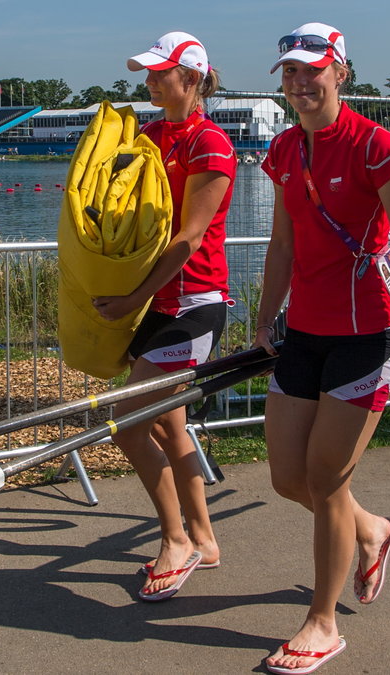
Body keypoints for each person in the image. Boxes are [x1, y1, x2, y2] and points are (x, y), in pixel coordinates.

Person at [252, 22, 390, 674]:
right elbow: (282, 247)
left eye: (311, 70)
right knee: (288, 475)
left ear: (341, 71)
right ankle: (372, 528)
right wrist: (263, 321)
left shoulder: (376, 148)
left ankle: (322, 620)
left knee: (326, 476)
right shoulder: (287, 150)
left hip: (368, 335)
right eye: (289, 72)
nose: (299, 82)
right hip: (305, 334)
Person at [92, 30, 236, 602]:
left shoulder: (211, 144)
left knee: (128, 420)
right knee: (167, 424)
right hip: (156, 303)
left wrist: (129, 301)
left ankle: (174, 539)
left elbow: (189, 237)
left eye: (160, 73)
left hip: (195, 306)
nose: (149, 81)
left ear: (192, 79)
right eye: (148, 73)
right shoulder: (150, 136)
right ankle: (205, 537)